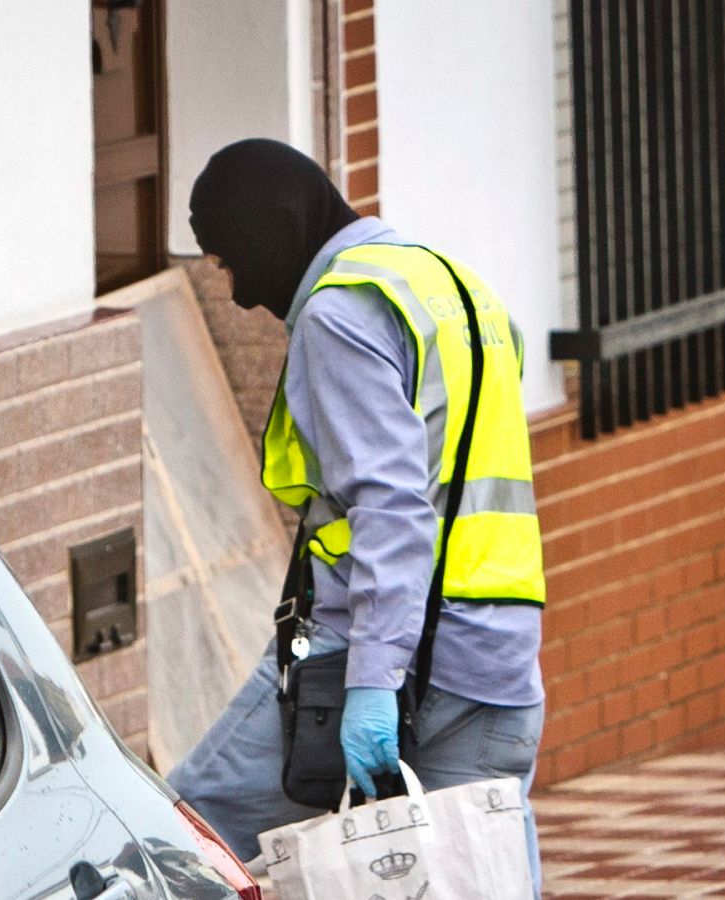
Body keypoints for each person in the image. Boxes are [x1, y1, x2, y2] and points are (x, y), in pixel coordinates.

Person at [168, 139, 546, 893]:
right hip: (502, 660)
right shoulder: (454, 286)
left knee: (179, 842)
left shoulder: (339, 315)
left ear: (273, 229)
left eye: (229, 260)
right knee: (477, 877)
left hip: (388, 667)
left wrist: (373, 683)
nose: (239, 295)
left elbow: (393, 504)